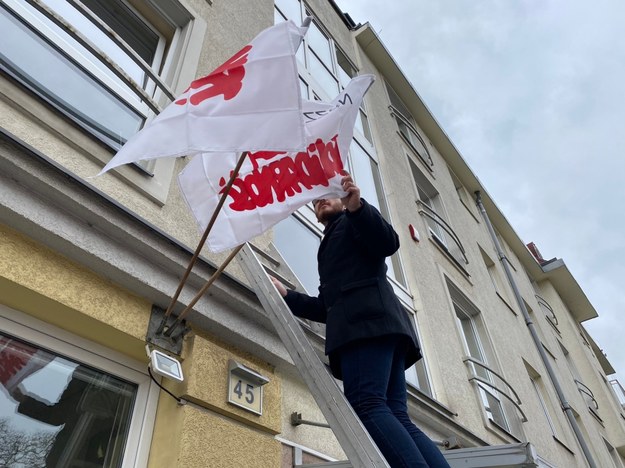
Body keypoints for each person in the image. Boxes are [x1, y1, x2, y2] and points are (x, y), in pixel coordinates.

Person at [271, 171, 451, 468]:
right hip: (380, 327)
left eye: (326, 194)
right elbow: (329, 306)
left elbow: (388, 243)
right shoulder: (331, 238)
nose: (319, 200)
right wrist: (288, 295)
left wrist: (357, 207)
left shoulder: (353, 221)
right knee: (394, 413)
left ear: (343, 199)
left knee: (367, 405)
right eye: (315, 201)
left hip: (366, 327)